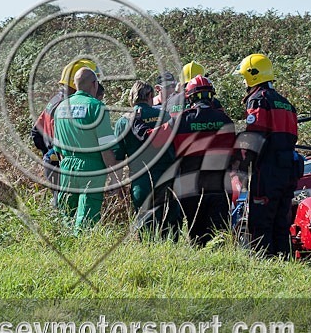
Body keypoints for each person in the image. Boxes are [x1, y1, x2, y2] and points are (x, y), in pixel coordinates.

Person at [133, 75, 236, 246]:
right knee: (219, 235)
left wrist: (137, 122)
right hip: (220, 184)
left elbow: (151, 138)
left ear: (189, 97)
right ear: (211, 95)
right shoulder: (226, 120)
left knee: (196, 232)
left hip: (191, 183)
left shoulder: (180, 120)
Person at [233, 53, 299, 256]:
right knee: (282, 221)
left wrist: (240, 169)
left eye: (245, 76)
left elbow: (253, 139)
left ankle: (264, 263)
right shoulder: (286, 103)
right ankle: (283, 261)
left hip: (268, 171)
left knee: (261, 221)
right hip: (289, 170)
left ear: (253, 75)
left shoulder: (258, 101)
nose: (244, 81)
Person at [53, 67, 118, 232]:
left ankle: (65, 246)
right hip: (92, 167)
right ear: (94, 84)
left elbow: (58, 148)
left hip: (66, 165)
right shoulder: (96, 107)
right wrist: (114, 178)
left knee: (65, 214)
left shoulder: (60, 108)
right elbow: (106, 148)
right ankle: (81, 251)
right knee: (86, 217)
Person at [113, 81, 179, 233]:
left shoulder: (123, 122)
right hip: (167, 179)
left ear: (131, 98)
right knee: (169, 229)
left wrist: (118, 186)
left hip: (141, 182)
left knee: (146, 231)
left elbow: (118, 158)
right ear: (150, 96)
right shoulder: (165, 116)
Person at [30, 59, 98, 206]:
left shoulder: (56, 100)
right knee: (66, 207)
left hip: (54, 163)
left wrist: (47, 153)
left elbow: (36, 131)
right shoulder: (68, 105)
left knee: (61, 205)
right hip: (63, 165)